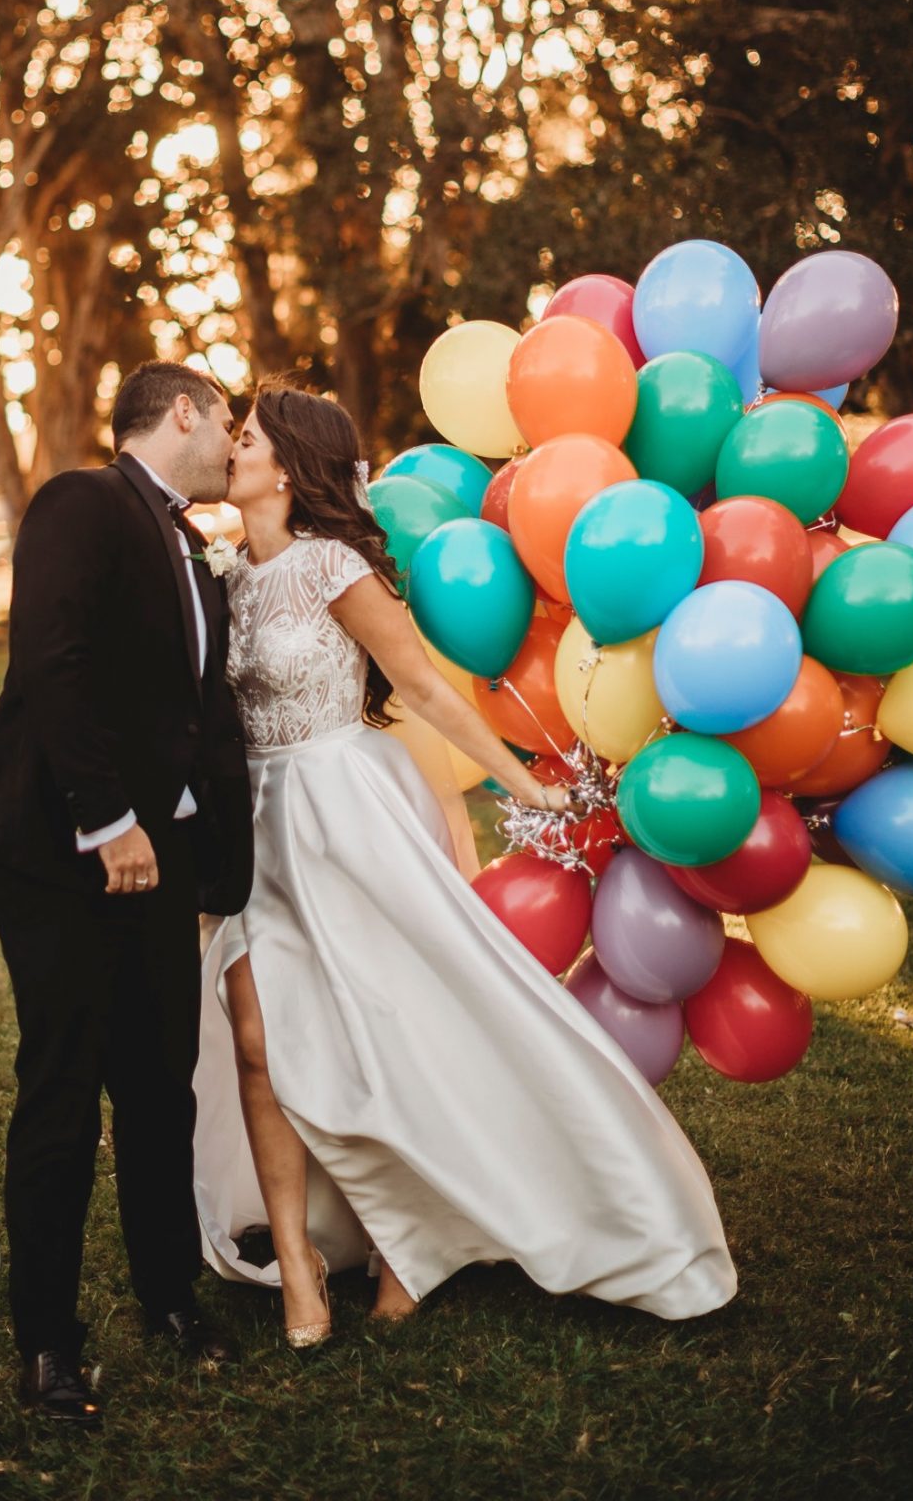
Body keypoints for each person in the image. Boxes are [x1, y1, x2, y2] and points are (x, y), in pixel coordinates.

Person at [193, 383, 737, 1348]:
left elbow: (425, 691)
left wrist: (520, 786)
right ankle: (299, 1273)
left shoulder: (330, 568)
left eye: (246, 438)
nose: (231, 451)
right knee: (254, 1039)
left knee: (392, 1024)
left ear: (289, 463)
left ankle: (414, 1243)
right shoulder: (223, 575)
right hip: (256, 825)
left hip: (343, 809)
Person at [0, 362, 254, 1424]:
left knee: (163, 1083)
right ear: (181, 414)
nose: (232, 443)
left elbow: (196, 716)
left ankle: (168, 1296)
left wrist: (208, 853)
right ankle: (47, 1342)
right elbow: (53, 663)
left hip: (159, 858)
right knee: (62, 1090)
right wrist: (106, 818)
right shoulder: (82, 502)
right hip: (61, 850)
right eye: (226, 423)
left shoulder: (194, 547)